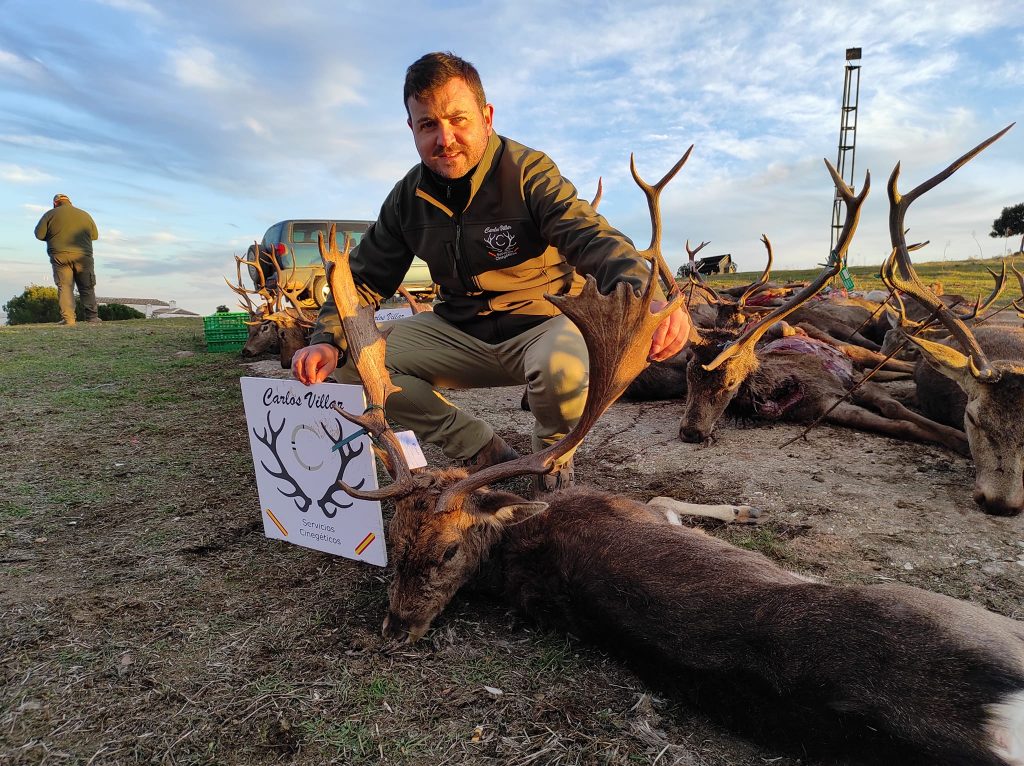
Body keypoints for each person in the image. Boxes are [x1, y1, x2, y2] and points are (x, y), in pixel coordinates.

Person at [292, 51, 690, 493]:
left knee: (562, 364)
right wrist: (326, 341)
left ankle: (552, 468)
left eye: (458, 119)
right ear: (412, 129)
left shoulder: (528, 171)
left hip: (543, 323)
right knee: (353, 365)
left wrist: (642, 292)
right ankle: (483, 451)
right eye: (428, 125)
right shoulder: (407, 197)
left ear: (487, 116)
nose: (445, 139)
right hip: (460, 330)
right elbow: (362, 280)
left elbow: (589, 234)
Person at [34, 194, 101, 325]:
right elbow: (95, 235)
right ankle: (92, 318)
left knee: (65, 286)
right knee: (87, 286)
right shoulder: (85, 215)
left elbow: (39, 234)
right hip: (83, 256)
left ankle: (69, 319)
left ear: (55, 203)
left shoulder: (49, 214)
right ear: (70, 202)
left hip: (60, 255)